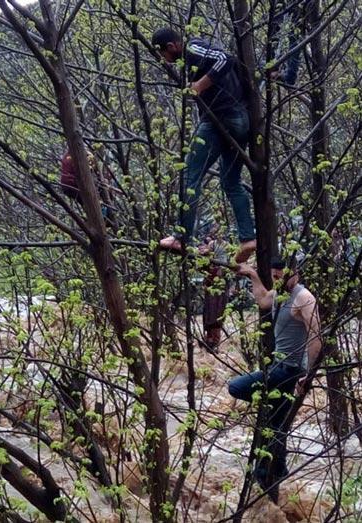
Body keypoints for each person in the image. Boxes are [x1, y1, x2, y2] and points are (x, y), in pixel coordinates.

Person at [151, 27, 256, 263]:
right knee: (230, 182)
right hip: (240, 121)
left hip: (222, 118)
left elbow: (225, 59)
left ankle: (182, 235)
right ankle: (248, 238)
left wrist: (199, 85)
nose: (164, 61)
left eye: (163, 55)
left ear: (171, 46)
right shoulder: (193, 59)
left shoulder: (191, 48)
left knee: (190, 176)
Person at [228, 256, 322, 485]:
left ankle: (266, 473)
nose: (278, 281)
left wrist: (308, 375)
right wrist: (251, 274)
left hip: (290, 371)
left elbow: (316, 336)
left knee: (235, 386)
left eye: (282, 277)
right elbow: (262, 300)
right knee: (276, 425)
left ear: (296, 274)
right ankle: (275, 472)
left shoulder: (304, 298)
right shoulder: (280, 294)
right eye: (275, 277)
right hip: (278, 368)